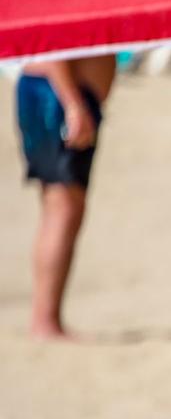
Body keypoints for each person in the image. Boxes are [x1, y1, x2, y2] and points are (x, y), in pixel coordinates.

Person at [14, 53, 116, 339]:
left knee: (57, 206)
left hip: (54, 91)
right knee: (63, 208)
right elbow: (53, 46)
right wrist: (73, 103)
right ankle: (45, 320)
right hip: (59, 94)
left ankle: (46, 317)